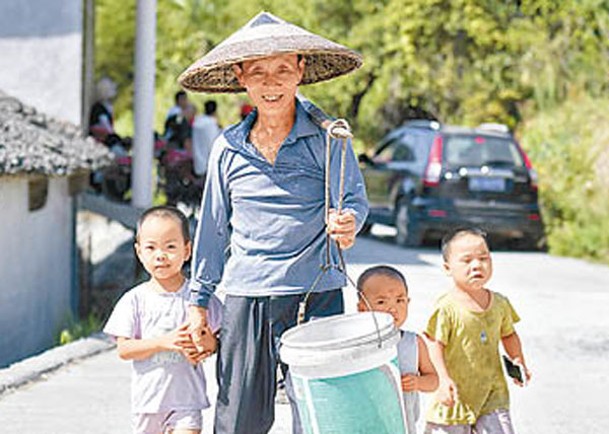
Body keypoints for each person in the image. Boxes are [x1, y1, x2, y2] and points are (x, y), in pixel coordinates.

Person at [178, 11, 368, 434]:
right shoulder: (228, 148)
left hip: (317, 293)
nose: (272, 82)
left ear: (300, 71)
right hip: (248, 295)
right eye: (259, 72)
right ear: (241, 76)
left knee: (322, 416)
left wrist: (349, 221)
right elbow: (212, 231)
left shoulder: (327, 137)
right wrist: (197, 305)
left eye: (283, 69)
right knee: (238, 420)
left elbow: (352, 197)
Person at [103, 206, 223, 434]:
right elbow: (124, 349)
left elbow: (222, 337)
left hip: (187, 401)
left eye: (170, 247)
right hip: (147, 403)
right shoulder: (134, 300)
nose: (160, 255)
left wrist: (209, 346)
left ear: (187, 250)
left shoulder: (199, 299)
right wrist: (163, 342)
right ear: (139, 252)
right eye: (151, 247)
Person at [424, 228, 531, 434]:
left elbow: (508, 334)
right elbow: (433, 343)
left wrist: (518, 360)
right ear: (447, 268)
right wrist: (442, 380)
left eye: (484, 258)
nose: (477, 265)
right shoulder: (446, 307)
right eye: (467, 260)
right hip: (454, 397)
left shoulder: (500, 303)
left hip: (493, 393)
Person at [357, 265, 438, 434]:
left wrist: (418, 383)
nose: (393, 308)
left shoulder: (413, 342)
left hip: (404, 426)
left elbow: (433, 380)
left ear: (408, 302)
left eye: (400, 300)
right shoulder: (357, 344)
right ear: (362, 308)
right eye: (381, 302)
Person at [192, 100, 222, 178]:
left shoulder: (197, 122)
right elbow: (214, 143)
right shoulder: (211, 124)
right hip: (210, 166)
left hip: (198, 165)